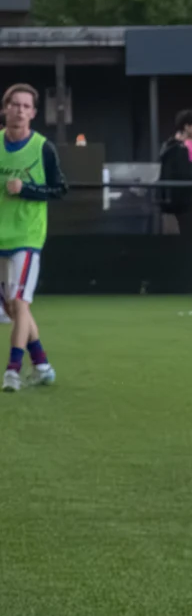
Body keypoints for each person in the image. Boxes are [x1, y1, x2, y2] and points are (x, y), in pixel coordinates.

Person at [0, 85, 65, 393]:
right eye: (15, 104)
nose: (20, 110)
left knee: (21, 302)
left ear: (34, 113)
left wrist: (25, 189)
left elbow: (59, 189)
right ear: (5, 108)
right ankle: (42, 366)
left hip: (27, 236)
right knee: (13, 308)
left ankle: (12, 371)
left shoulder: (43, 148)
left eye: (26, 106)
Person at [157, 109, 192, 235]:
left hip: (190, 204)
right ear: (187, 127)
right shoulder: (177, 149)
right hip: (180, 206)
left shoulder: (189, 147)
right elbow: (189, 175)